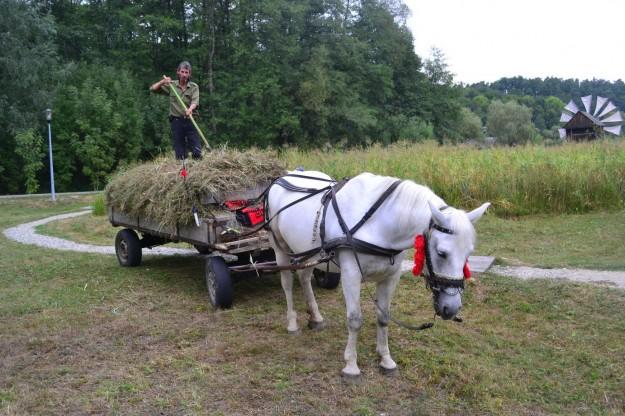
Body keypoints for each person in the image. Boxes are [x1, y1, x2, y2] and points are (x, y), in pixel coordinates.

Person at [150, 61, 202, 160]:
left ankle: (197, 168)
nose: (184, 75)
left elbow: (195, 101)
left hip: (191, 120)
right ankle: (183, 172)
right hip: (176, 121)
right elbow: (152, 89)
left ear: (189, 74)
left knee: (197, 151)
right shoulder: (171, 85)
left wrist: (190, 109)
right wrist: (162, 82)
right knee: (180, 153)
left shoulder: (194, 87)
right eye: (182, 72)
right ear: (178, 72)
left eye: (186, 72)